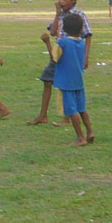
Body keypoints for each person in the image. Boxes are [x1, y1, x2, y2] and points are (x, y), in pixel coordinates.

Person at [28, 0, 91, 125]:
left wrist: (85, 57)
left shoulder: (79, 15)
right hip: (58, 55)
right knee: (47, 80)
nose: (61, 2)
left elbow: (88, 36)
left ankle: (67, 118)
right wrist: (57, 14)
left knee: (67, 86)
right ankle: (43, 115)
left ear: (74, 0)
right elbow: (52, 32)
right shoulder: (61, 15)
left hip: (70, 57)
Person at [41, 13, 94, 146]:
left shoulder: (63, 43)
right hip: (78, 80)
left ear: (63, 29)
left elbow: (54, 58)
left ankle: (80, 137)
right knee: (82, 109)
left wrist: (47, 42)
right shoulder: (81, 43)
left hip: (66, 82)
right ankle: (90, 132)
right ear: (81, 29)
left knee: (71, 110)